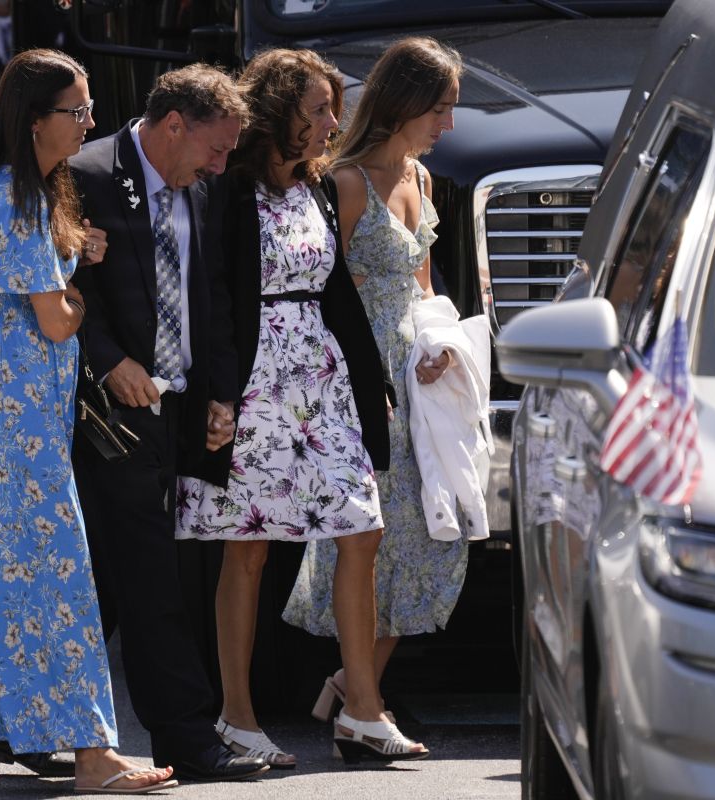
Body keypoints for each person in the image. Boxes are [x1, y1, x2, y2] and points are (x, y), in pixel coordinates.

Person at [0, 48, 175, 794]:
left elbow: (32, 286)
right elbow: (58, 323)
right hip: (15, 435)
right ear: (35, 121)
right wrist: (79, 289)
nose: (89, 123)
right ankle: (91, 755)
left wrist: (70, 254)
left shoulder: (16, 195)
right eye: (77, 110)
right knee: (57, 585)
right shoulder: (18, 199)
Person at [175, 48, 427, 767]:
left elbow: (337, 293)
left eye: (332, 109)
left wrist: (370, 378)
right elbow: (215, 298)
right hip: (252, 385)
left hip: (320, 383)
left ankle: (363, 711)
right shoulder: (227, 190)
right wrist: (218, 396)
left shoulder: (318, 189)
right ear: (280, 110)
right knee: (247, 552)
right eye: (318, 108)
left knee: (362, 526)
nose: (331, 123)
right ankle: (237, 715)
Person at [67, 65, 270, 782]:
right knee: (154, 574)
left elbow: (209, 291)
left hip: (180, 405)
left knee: (118, 575)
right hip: (110, 408)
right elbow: (62, 286)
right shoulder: (87, 174)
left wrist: (221, 395)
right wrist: (108, 359)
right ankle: (187, 734)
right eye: (215, 149)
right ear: (173, 124)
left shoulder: (203, 186)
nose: (222, 165)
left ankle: (16, 729)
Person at [280, 36, 465, 731]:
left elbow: (421, 290)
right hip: (360, 380)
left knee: (429, 539)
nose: (447, 126)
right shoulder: (346, 182)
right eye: (440, 109)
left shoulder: (418, 179)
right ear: (406, 103)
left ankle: (348, 682)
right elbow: (330, 293)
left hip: (419, 382)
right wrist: (369, 376)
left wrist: (437, 352)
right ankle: (361, 697)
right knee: (369, 540)